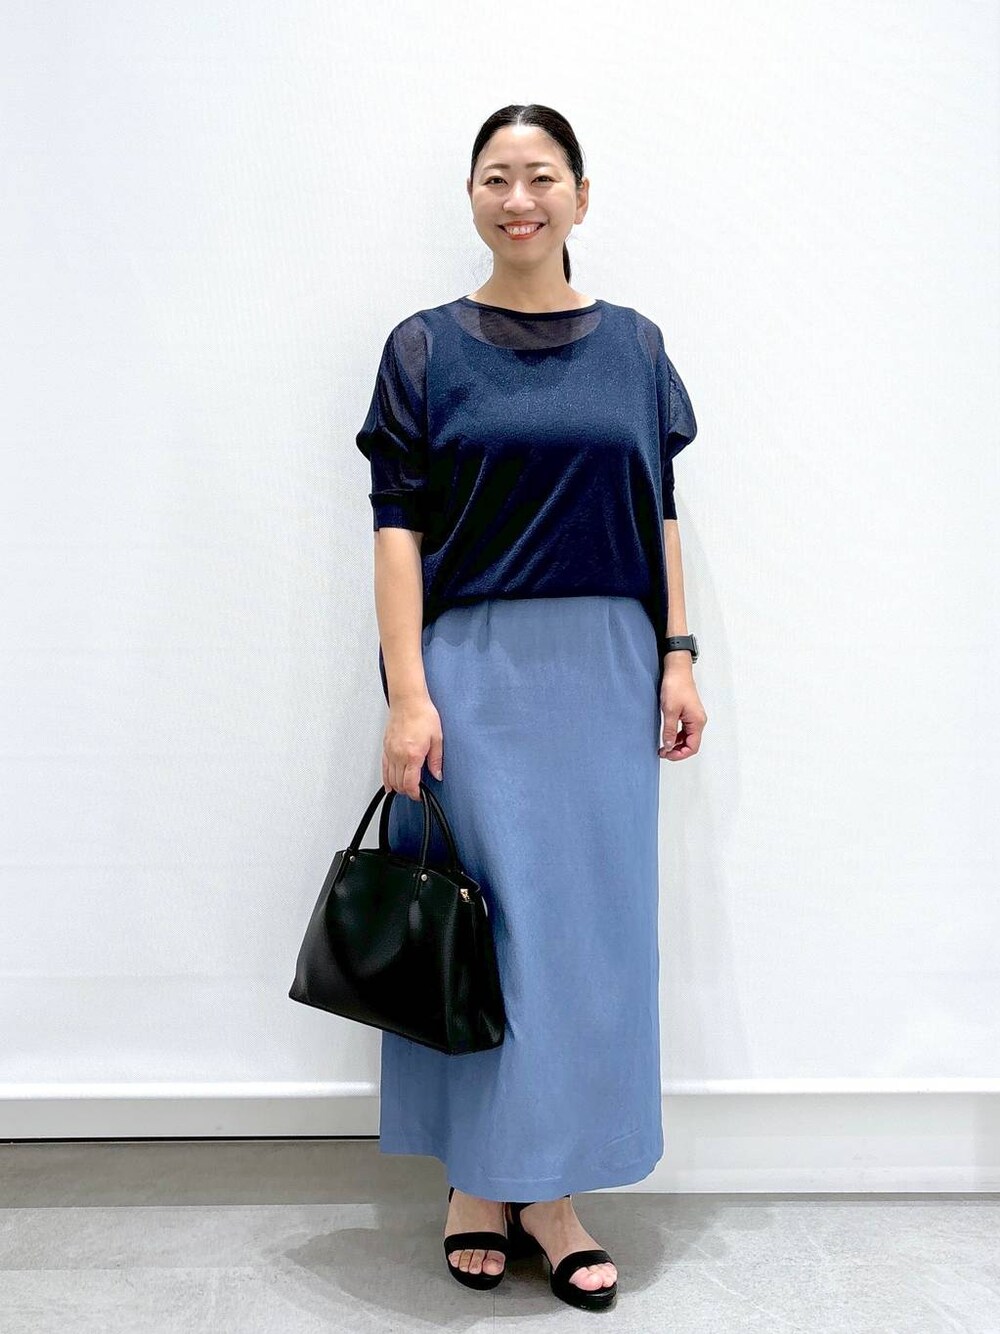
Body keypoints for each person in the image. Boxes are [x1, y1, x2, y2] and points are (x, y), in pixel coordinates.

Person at [355, 103, 707, 1312]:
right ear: (471, 196)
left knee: (584, 936)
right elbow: (394, 530)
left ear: (580, 195)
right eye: (497, 177)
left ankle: (550, 1192)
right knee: (484, 928)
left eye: (542, 176)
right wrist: (408, 690)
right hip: (473, 673)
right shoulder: (422, 348)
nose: (520, 199)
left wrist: (677, 653)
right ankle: (477, 1177)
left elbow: (660, 512)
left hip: (604, 669)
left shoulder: (636, 346)